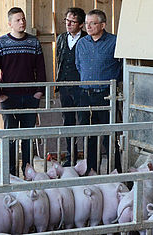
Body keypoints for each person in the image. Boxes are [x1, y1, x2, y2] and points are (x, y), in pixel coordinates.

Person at [0, 7, 46, 176]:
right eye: (17, 20)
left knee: (28, 136)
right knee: (10, 137)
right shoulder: (1, 43)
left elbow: (41, 68)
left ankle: (28, 171)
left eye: (23, 19)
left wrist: (39, 92)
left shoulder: (33, 42)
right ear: (10, 23)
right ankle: (11, 172)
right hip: (9, 97)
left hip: (30, 96)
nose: (22, 22)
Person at [75, 9, 122, 173]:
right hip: (86, 95)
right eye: (87, 23)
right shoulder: (81, 43)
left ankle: (116, 171)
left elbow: (121, 67)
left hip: (106, 95)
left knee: (110, 136)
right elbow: (79, 66)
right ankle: (92, 170)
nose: (88, 26)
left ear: (103, 25)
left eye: (92, 23)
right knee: (89, 135)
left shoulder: (114, 42)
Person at [56, 7, 87, 167]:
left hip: (81, 87)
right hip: (65, 86)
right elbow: (58, 60)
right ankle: (70, 156)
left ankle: (87, 156)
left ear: (81, 24)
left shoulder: (87, 39)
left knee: (83, 121)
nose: (68, 24)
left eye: (72, 21)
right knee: (67, 121)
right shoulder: (61, 38)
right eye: (67, 20)